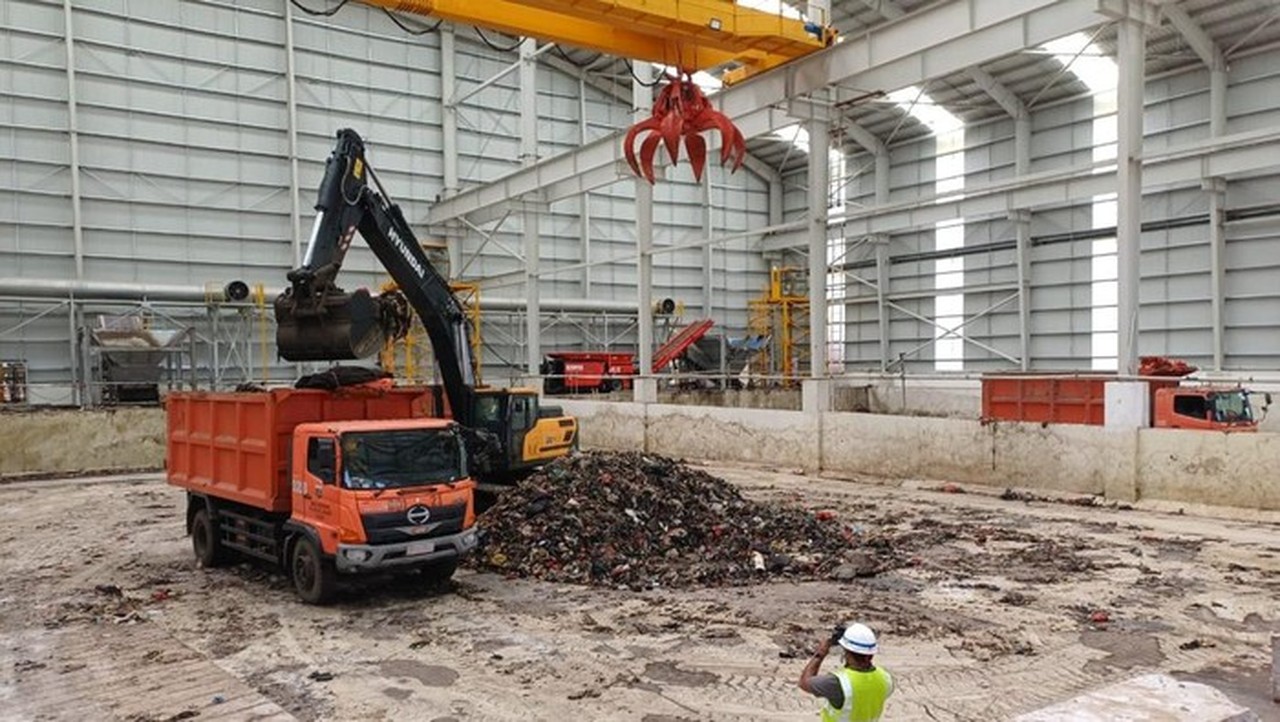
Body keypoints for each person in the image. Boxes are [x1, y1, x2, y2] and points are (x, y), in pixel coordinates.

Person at [798, 622, 894, 721]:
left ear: (846, 651)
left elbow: (804, 683)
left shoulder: (838, 683)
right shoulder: (885, 678)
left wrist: (821, 653)